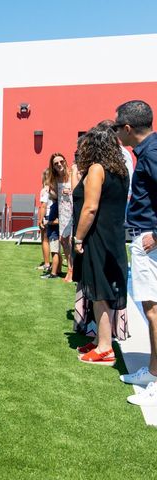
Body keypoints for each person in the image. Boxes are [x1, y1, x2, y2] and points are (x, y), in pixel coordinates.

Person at [72, 126, 129, 367]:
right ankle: (101, 342)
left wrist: (77, 238)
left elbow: (90, 208)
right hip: (113, 236)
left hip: (97, 236)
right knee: (101, 290)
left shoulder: (97, 169)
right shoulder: (121, 170)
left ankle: (105, 348)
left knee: (99, 292)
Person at [113, 101, 157, 406]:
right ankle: (153, 373)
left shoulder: (152, 154)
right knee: (151, 309)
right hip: (145, 239)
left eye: (117, 127)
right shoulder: (149, 152)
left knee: (154, 311)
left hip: (149, 241)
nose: (116, 132)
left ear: (128, 128)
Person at [49, 153, 73, 282]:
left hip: (74, 212)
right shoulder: (55, 179)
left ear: (65, 161)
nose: (59, 165)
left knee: (71, 241)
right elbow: (55, 196)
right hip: (63, 213)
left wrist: (71, 191)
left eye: (61, 162)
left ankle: (74, 269)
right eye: (56, 163)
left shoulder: (72, 174)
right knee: (64, 241)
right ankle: (70, 269)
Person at [37, 169, 52, 273]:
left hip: (47, 217)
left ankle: (47, 264)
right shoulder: (55, 189)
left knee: (45, 241)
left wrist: (40, 220)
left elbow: (43, 206)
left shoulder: (44, 190)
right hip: (55, 217)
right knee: (55, 242)